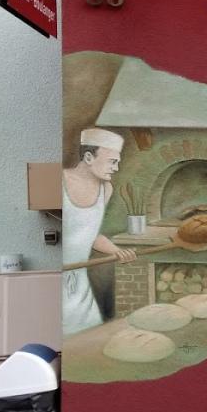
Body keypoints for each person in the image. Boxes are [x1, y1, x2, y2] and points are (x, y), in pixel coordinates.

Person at [62, 128, 137, 335]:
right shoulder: (58, 181)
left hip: (80, 286)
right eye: (112, 161)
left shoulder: (106, 188)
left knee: (88, 339)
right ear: (88, 157)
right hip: (55, 281)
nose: (116, 168)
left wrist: (116, 251)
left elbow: (90, 235)